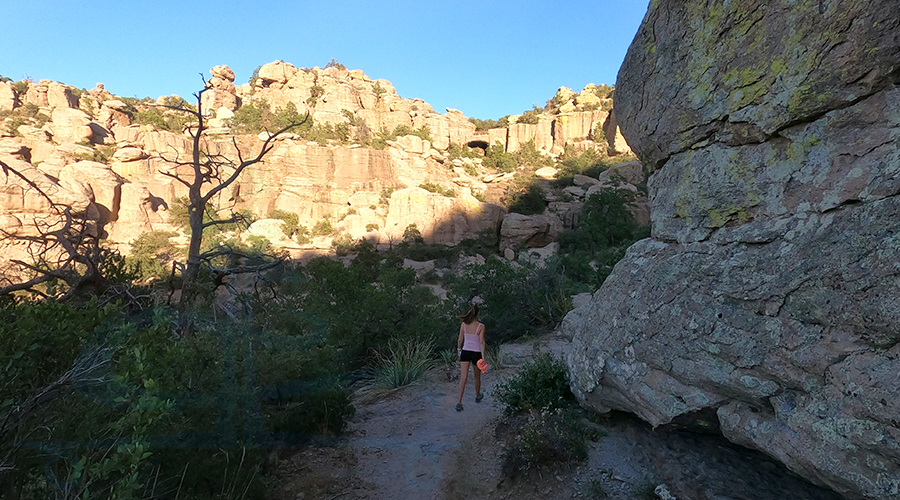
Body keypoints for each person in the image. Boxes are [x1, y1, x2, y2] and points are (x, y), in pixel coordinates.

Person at [456, 304, 486, 411]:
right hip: (476, 353)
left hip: (465, 352)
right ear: (478, 314)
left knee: (463, 377)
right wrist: (483, 357)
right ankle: (478, 396)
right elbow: (481, 342)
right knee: (477, 376)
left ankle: (459, 402)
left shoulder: (464, 324)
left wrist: (459, 350)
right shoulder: (481, 326)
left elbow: (460, 339)